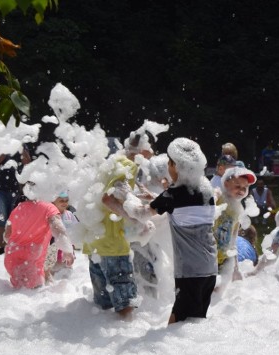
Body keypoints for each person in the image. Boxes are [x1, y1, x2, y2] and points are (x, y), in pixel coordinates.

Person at [149, 138, 218, 324]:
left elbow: (144, 213)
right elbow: (184, 204)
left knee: (178, 322)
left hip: (189, 271)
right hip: (210, 267)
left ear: (175, 166)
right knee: (196, 321)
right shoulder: (206, 191)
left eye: (169, 163)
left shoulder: (171, 196)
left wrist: (126, 202)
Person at [84, 136, 153, 318]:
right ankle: (124, 345)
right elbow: (109, 199)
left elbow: (107, 192)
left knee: (103, 308)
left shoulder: (111, 162)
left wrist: (139, 196)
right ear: (142, 150)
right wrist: (136, 219)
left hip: (96, 243)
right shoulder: (129, 166)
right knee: (125, 307)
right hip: (114, 246)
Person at [3, 196, 74, 289]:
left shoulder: (18, 208)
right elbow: (58, 229)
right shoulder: (49, 207)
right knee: (34, 296)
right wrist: (67, 250)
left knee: (19, 294)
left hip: (11, 258)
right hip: (33, 258)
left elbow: (7, 236)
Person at [0, 148, 31, 254]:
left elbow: (27, 163)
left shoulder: (20, 142)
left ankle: (12, 250)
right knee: (0, 220)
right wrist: (7, 147)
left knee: (15, 221)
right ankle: (1, 251)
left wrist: (22, 148)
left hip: (15, 189)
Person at [43, 192, 79, 277]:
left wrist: (73, 243)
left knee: (67, 263)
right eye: (61, 201)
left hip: (67, 244)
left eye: (66, 201)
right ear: (53, 202)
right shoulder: (51, 215)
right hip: (53, 245)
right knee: (53, 264)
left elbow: (76, 228)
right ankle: (52, 278)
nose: (64, 203)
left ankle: (66, 279)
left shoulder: (69, 214)